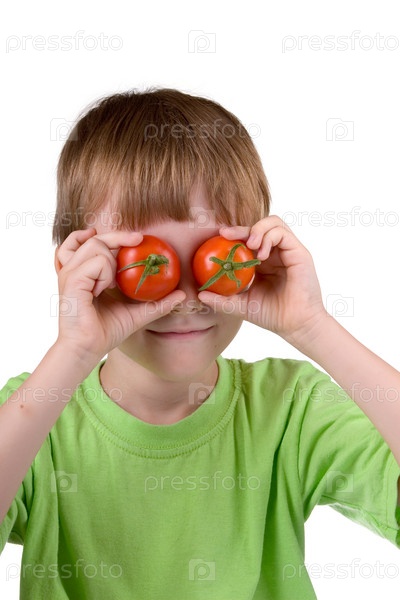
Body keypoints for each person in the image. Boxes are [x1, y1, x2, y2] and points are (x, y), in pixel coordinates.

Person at [0, 88, 399, 600]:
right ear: (77, 264)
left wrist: (312, 327)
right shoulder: (35, 410)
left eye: (217, 256)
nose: (187, 298)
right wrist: (71, 351)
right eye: (148, 262)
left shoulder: (289, 407)